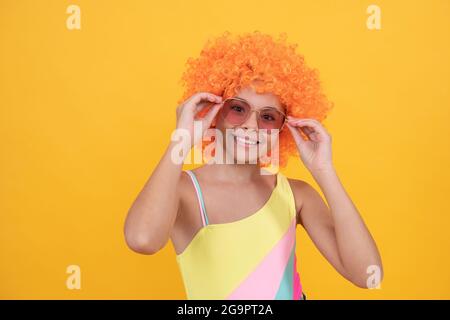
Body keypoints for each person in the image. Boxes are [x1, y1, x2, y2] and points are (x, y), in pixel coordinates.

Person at [124, 31, 383, 300]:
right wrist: (182, 140)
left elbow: (368, 275)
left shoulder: (296, 195)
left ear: (284, 127)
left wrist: (324, 171)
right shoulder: (182, 191)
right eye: (238, 108)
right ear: (212, 111)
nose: (251, 125)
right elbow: (142, 239)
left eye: (268, 117)